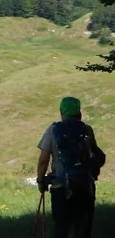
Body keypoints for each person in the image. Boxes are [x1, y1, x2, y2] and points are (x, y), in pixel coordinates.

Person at [37, 96, 106, 237]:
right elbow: (97, 154)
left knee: (61, 228)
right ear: (79, 113)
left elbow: (43, 160)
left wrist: (40, 181)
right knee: (82, 229)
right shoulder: (87, 130)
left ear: (61, 112)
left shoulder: (53, 130)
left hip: (60, 187)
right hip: (84, 186)